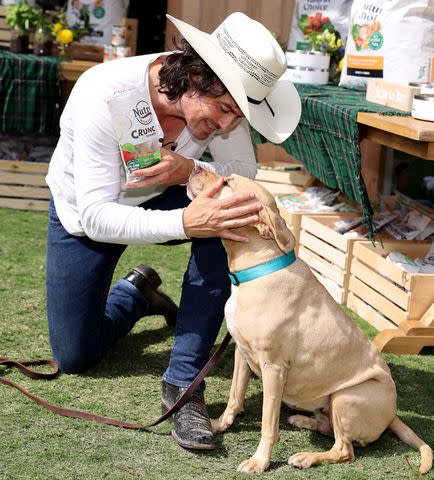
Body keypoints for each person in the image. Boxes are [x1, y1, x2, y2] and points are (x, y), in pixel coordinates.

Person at [45, 12, 301, 451]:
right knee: (75, 356)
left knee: (231, 212)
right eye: (222, 110)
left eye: (238, 116)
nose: (226, 126)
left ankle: (185, 384)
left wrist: (190, 168)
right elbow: (95, 216)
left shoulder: (222, 109)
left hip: (168, 198)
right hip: (90, 216)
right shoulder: (101, 92)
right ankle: (136, 294)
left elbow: (242, 172)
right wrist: (186, 222)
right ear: (194, 75)